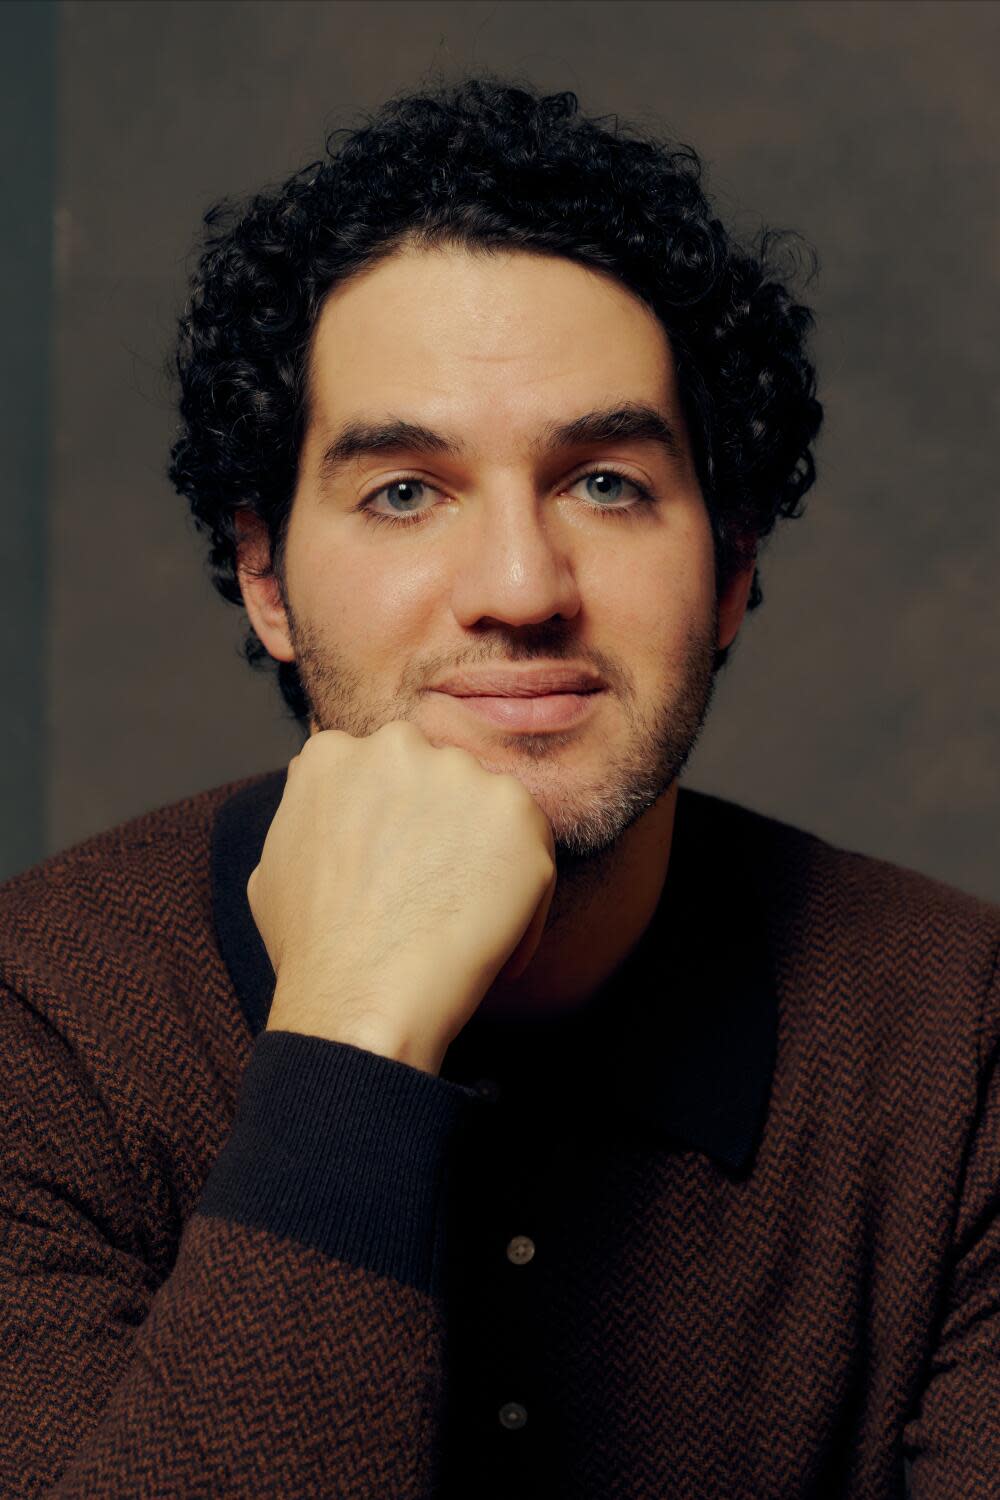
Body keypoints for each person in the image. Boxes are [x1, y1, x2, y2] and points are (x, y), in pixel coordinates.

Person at [1, 71, 996, 1499]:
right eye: (405, 490)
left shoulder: (963, 1044)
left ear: (730, 569)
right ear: (267, 580)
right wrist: (350, 1043)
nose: (522, 589)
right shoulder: (37, 1024)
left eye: (605, 482)